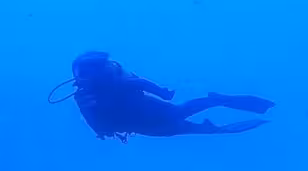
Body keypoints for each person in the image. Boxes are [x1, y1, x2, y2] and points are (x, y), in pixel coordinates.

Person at [63, 51, 274, 140]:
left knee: (182, 113)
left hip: (151, 115)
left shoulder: (118, 83)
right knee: (183, 122)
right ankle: (213, 117)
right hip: (147, 125)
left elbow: (141, 83)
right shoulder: (85, 99)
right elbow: (100, 128)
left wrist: (163, 93)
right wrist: (163, 93)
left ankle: (216, 103)